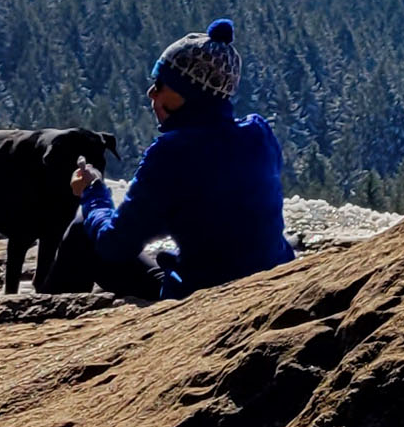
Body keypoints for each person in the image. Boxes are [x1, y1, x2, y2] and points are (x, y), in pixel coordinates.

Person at [60, 17, 294, 302]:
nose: (151, 93)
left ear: (188, 94)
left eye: (160, 85)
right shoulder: (259, 133)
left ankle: (45, 328)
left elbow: (114, 245)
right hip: (273, 284)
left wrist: (92, 192)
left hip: (204, 298)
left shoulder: (172, 153)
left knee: (83, 229)